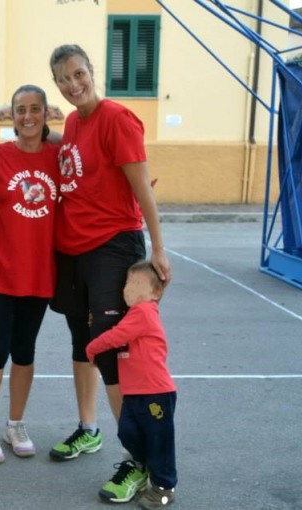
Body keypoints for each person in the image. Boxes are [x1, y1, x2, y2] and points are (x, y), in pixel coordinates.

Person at [46, 43, 172, 472]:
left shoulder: (118, 119)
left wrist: (157, 247)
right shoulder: (75, 123)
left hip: (113, 245)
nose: (73, 84)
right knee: (84, 343)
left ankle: (135, 457)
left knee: (114, 350)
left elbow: (143, 189)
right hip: (74, 249)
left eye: (78, 74)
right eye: (64, 79)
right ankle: (89, 427)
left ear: (92, 71)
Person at [0, 85, 59, 464]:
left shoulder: (58, 157)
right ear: (12, 116)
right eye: (21, 110)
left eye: (35, 109)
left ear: (45, 114)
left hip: (39, 272)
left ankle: (15, 423)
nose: (27, 116)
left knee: (25, 351)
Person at [86, 261, 177, 508]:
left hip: (155, 392)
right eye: (128, 283)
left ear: (156, 294)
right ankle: (144, 466)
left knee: (160, 440)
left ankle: (164, 488)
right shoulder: (134, 313)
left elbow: (117, 336)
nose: (130, 289)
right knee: (127, 431)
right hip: (135, 392)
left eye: (139, 284)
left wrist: (92, 348)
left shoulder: (145, 312)